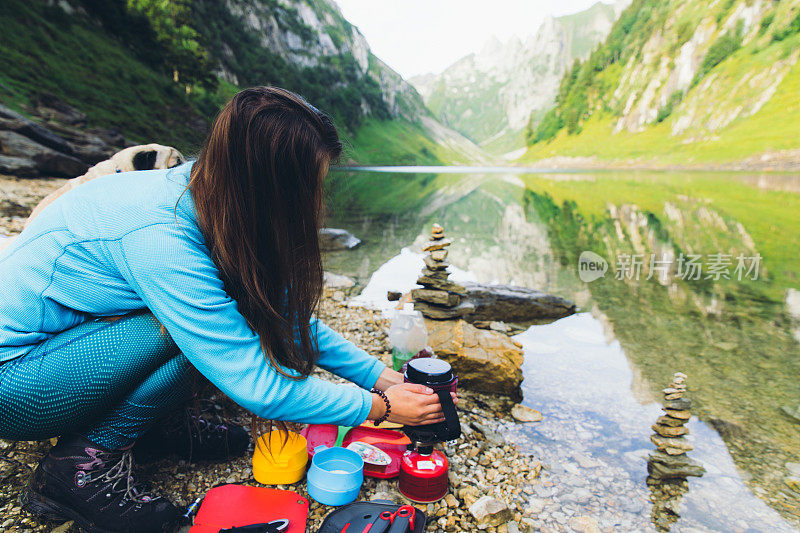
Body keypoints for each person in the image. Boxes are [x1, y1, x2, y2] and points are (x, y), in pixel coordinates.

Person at [0, 87, 454, 533]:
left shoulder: (208, 190)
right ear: (269, 182)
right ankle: (77, 472)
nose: (313, 200)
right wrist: (379, 407)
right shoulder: (160, 235)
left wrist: (377, 375)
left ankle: (151, 425)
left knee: (215, 317)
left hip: (67, 350)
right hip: (16, 384)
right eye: (309, 186)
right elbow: (255, 383)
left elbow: (281, 314)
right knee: (186, 333)